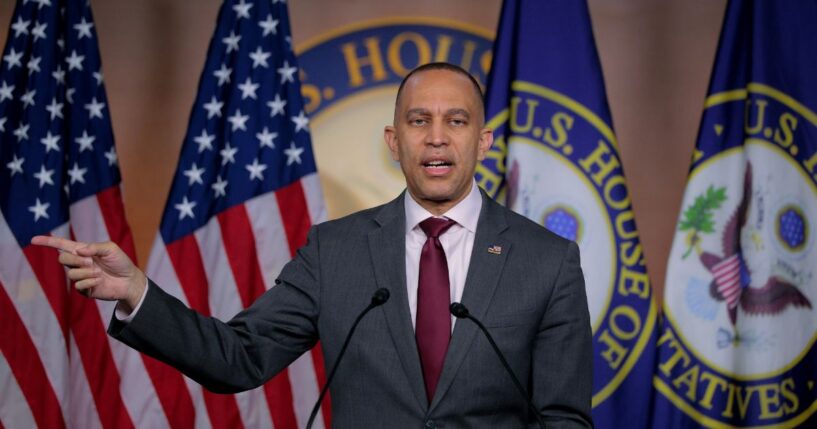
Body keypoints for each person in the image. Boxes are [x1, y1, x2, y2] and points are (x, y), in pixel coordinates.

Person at [33, 62, 593, 428]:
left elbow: (565, 419)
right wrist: (137, 292)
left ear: (483, 140)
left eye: (457, 121)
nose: (438, 137)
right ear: (394, 142)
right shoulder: (336, 251)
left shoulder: (547, 260)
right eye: (419, 121)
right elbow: (239, 357)